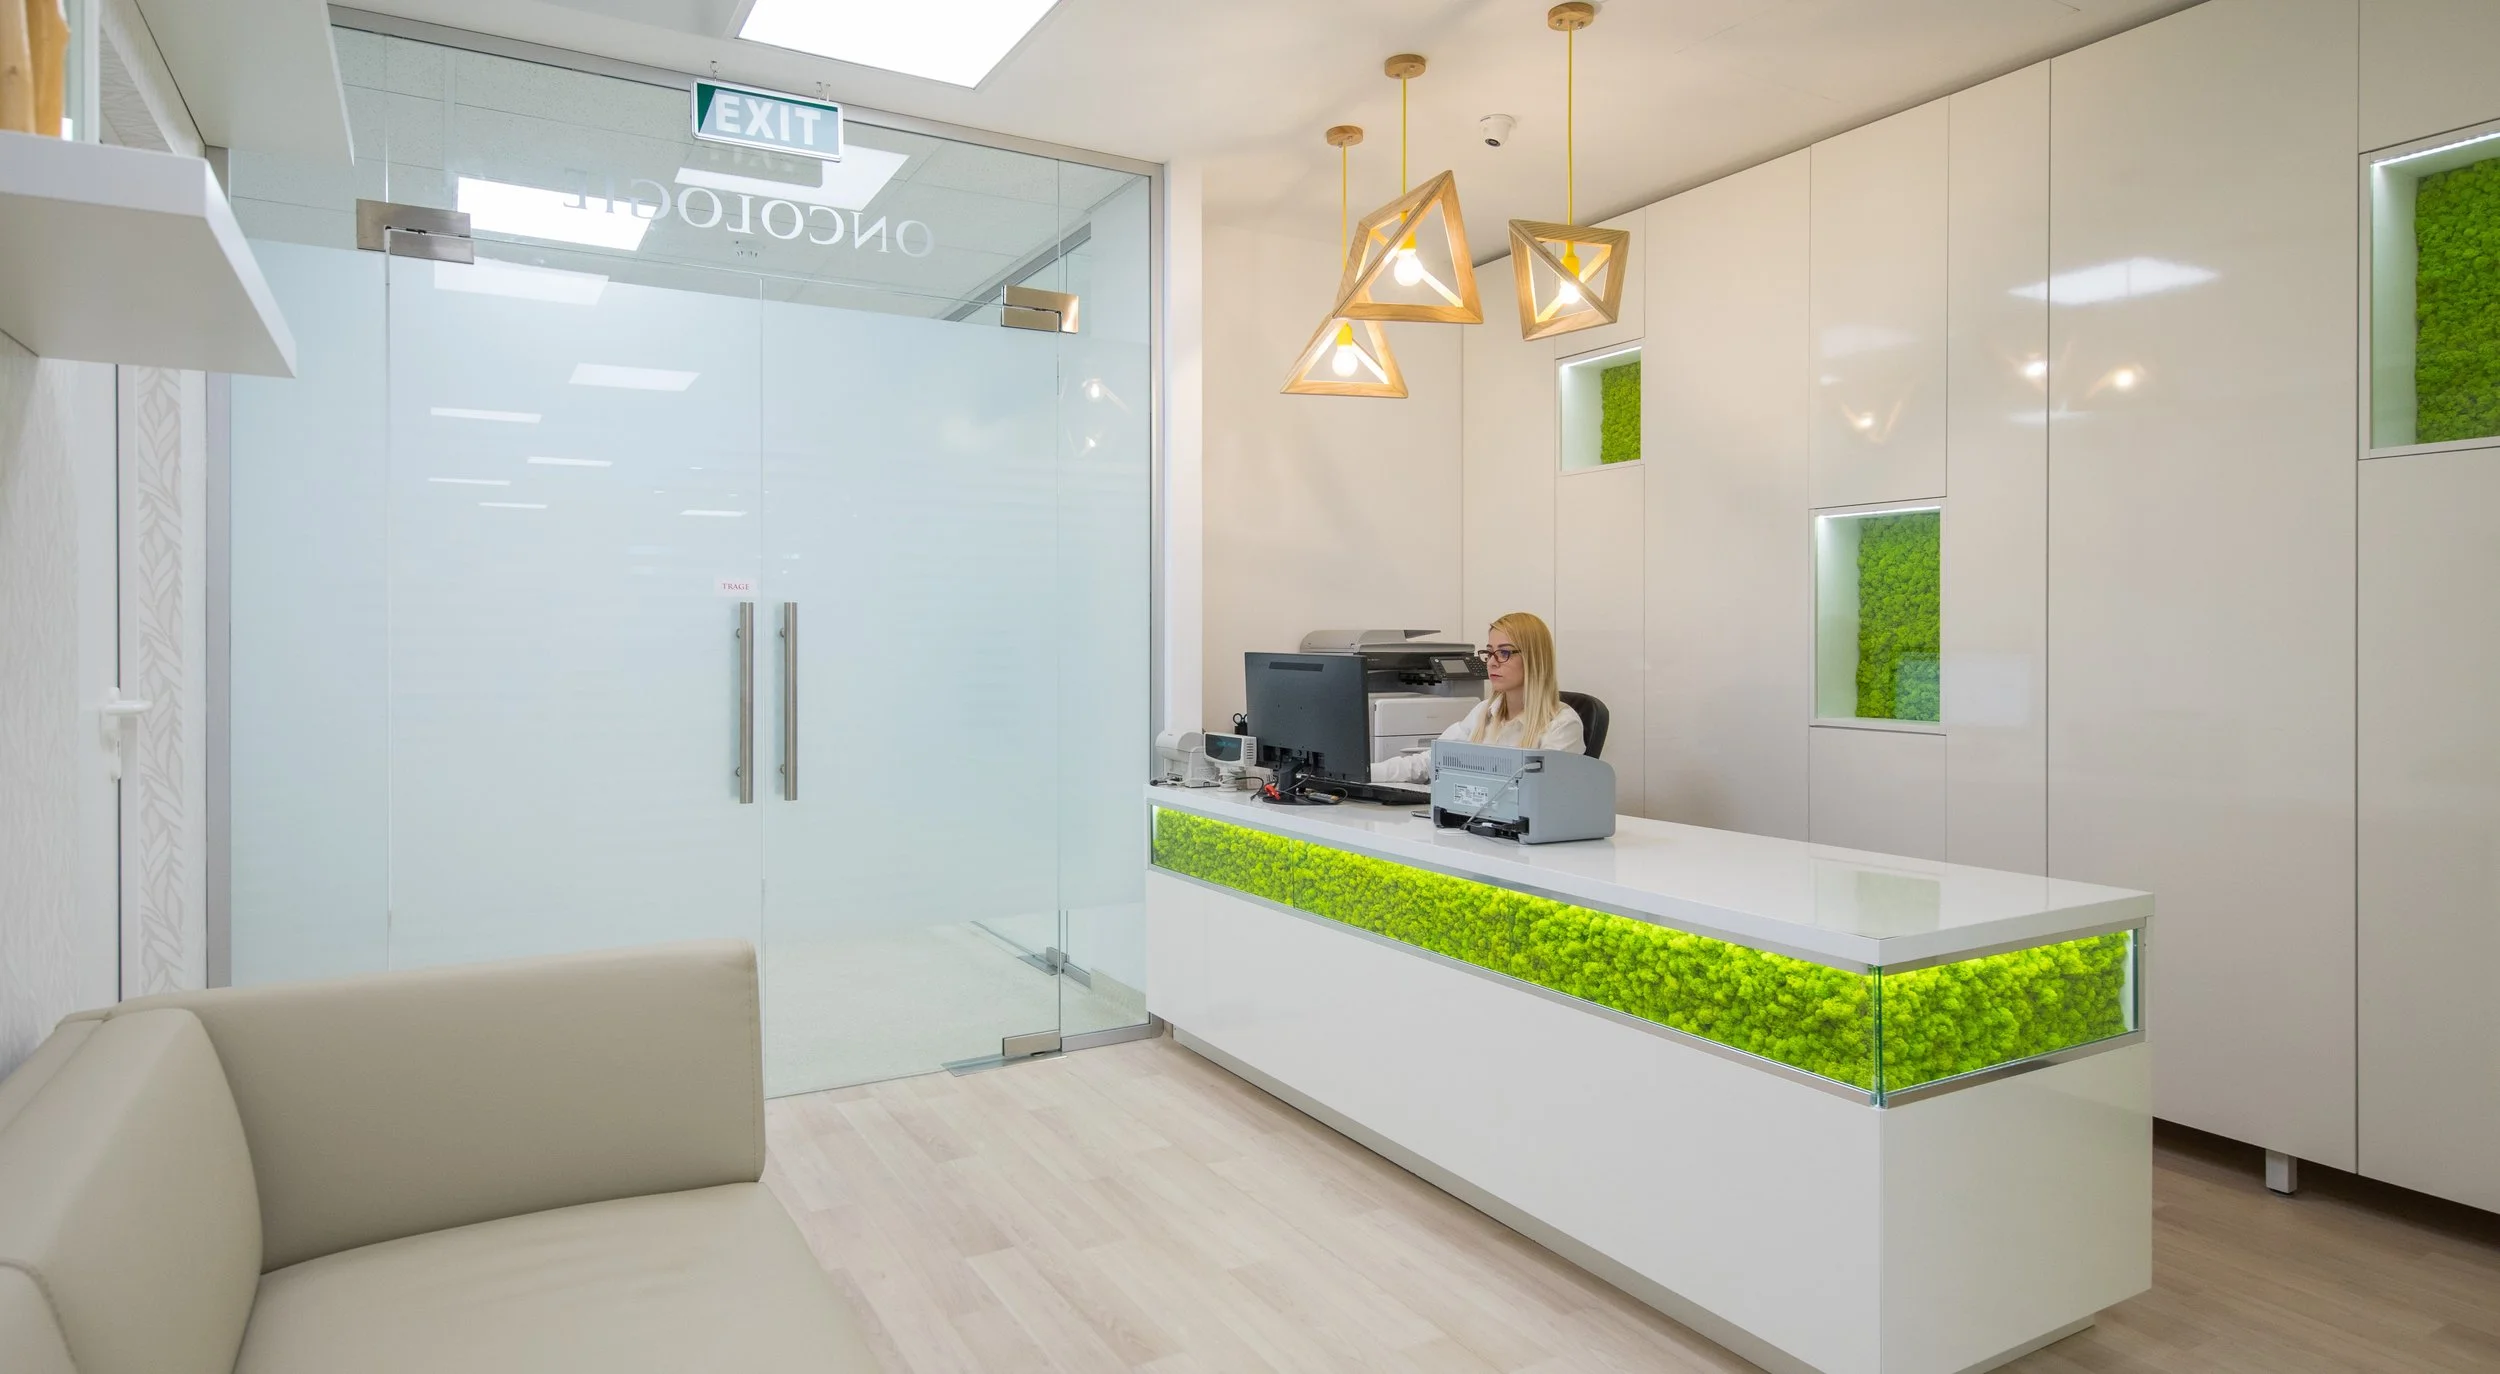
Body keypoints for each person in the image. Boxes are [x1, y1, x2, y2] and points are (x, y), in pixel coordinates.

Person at [1371, 611, 1584, 784]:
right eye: (1489, 653)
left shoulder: (1562, 725)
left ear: (1534, 658)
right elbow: (1429, 762)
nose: (1491, 663)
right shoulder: (1484, 711)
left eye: (1504, 653)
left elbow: (1548, 793)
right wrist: (1362, 774)